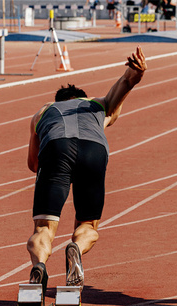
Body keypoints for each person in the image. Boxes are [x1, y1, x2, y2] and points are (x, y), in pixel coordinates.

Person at [26, 47, 147, 292]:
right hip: (94, 150)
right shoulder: (98, 105)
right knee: (88, 226)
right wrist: (137, 72)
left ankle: (40, 264)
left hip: (56, 148)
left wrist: (55, 171)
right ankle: (76, 249)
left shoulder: (43, 112)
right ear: (82, 98)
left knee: (43, 228)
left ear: (59, 101)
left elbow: (33, 164)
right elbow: (125, 83)